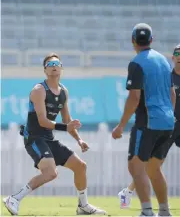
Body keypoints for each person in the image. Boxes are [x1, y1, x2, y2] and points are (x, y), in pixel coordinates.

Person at [3, 53, 106, 216]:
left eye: (56, 63)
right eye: (50, 64)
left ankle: (83, 206)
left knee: (80, 167)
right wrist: (67, 127)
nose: (54, 66)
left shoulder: (64, 92)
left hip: (48, 139)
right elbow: (43, 121)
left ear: (61, 68)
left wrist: (79, 139)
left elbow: (67, 120)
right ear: (45, 70)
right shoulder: (39, 90)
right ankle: (14, 199)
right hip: (34, 139)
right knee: (51, 172)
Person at [118, 44, 180, 209]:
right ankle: (128, 191)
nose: (179, 56)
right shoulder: (166, 76)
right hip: (167, 126)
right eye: (176, 53)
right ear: (172, 58)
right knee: (152, 166)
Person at [112, 23, 176, 216]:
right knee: (154, 168)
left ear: (133, 41)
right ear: (151, 40)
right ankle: (164, 211)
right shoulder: (164, 61)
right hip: (167, 121)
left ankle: (147, 211)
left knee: (135, 166)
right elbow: (172, 94)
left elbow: (134, 98)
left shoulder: (136, 63)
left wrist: (121, 125)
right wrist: (168, 114)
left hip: (148, 122)